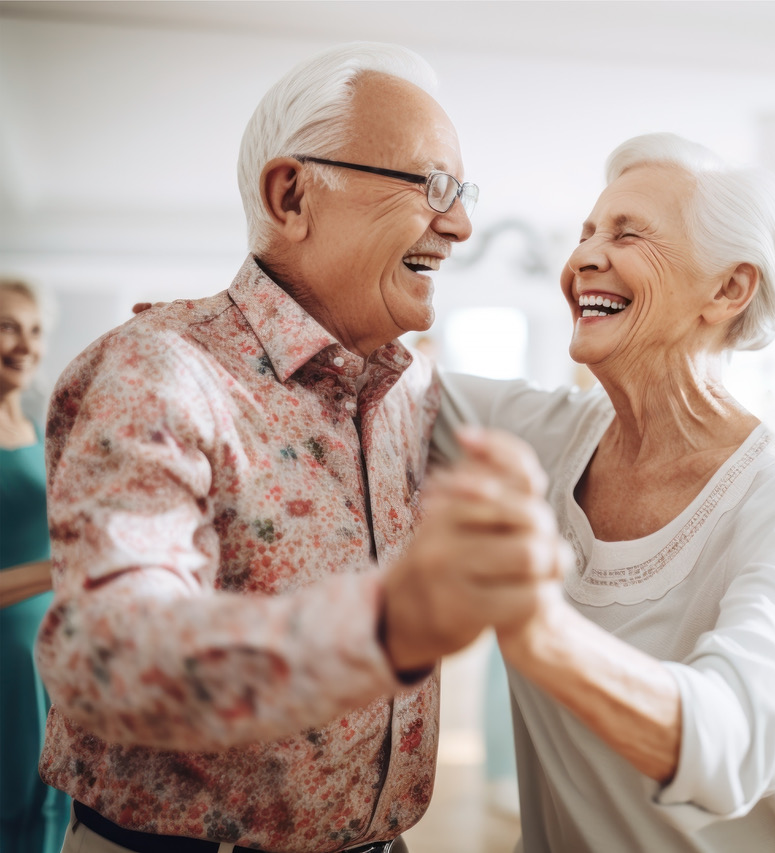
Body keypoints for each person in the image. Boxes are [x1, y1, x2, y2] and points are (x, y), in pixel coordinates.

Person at [35, 43, 563, 853]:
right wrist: (392, 623)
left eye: (461, 193)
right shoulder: (159, 370)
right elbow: (108, 658)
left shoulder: (406, 393)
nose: (459, 224)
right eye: (431, 185)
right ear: (292, 195)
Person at [437, 132, 775, 851]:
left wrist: (540, 632)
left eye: (628, 233)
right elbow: (372, 386)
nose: (585, 255)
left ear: (728, 288)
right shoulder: (549, 432)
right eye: (588, 231)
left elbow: (738, 735)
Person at [1, 278, 71, 853]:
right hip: (3, 658)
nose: (25, 344)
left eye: (34, 330)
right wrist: (69, 566)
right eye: (6, 326)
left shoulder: (38, 424)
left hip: (51, 649)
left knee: (54, 801)